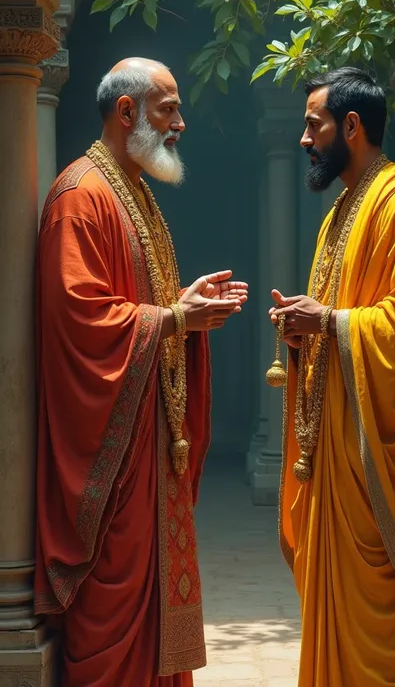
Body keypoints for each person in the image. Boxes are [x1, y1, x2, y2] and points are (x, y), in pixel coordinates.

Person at [34, 57, 248, 687]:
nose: (180, 123)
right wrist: (174, 319)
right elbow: (80, 322)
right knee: (115, 600)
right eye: (168, 109)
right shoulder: (80, 197)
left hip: (150, 448)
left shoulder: (134, 192)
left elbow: (136, 302)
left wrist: (183, 303)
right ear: (125, 112)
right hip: (116, 457)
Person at [269, 67, 395, 687]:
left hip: (374, 470)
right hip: (334, 459)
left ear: (352, 126)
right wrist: (304, 328)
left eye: (311, 125)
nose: (304, 139)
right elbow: (339, 312)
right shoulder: (342, 211)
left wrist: (334, 322)